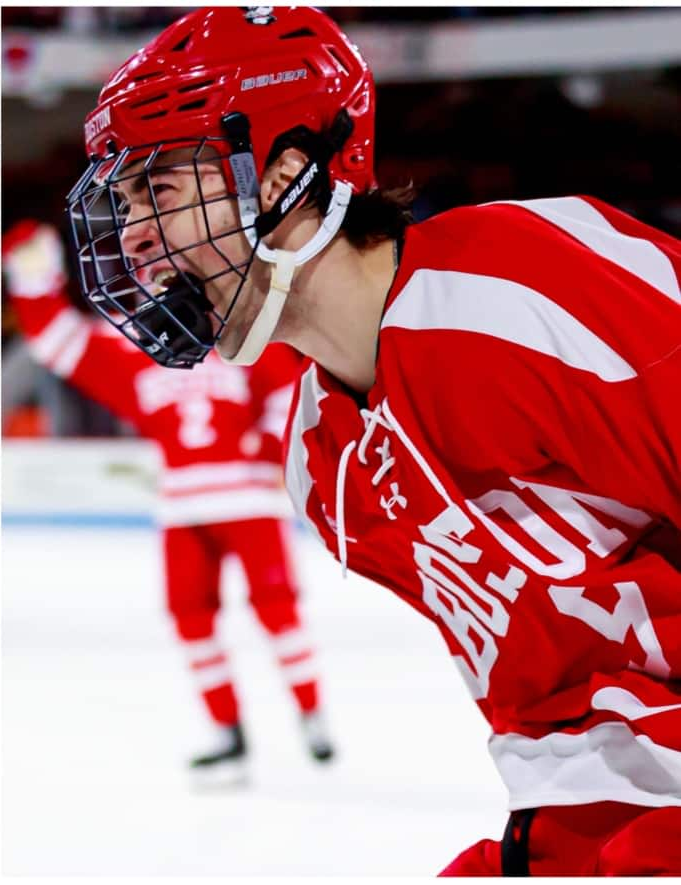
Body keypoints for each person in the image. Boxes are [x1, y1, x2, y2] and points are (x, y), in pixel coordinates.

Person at [66, 6, 681, 876]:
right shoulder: (322, 470)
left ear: (284, 173)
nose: (135, 245)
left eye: (159, 191)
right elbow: (558, 724)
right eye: (125, 205)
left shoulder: (523, 285)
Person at [4, 218, 333, 784]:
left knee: (276, 609)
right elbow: (56, 340)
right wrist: (33, 269)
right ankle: (228, 733)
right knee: (191, 619)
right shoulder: (135, 354)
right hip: (183, 506)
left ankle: (310, 714)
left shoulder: (244, 336)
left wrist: (278, 453)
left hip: (249, 501)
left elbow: (290, 393)